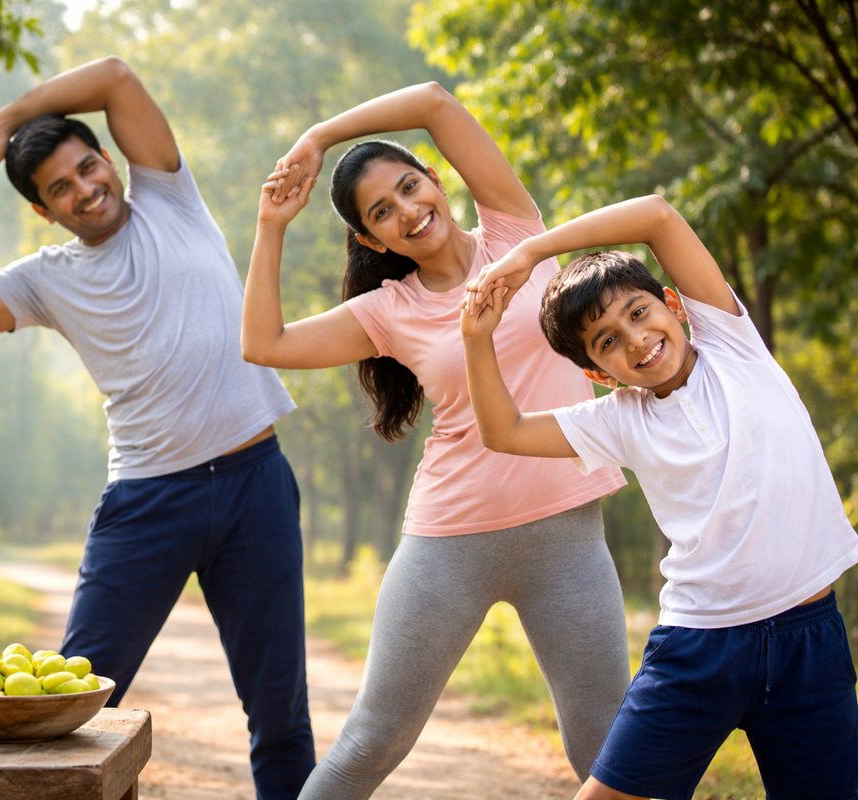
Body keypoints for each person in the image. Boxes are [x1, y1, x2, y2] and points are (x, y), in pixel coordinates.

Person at [0, 56, 316, 798]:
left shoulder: (170, 196)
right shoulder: (46, 278)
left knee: (280, 715)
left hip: (255, 485)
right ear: (44, 210)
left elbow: (117, 78)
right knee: (68, 710)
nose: (85, 190)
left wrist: (2, 122)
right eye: (60, 188)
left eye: (87, 167)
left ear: (110, 159)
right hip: (146, 505)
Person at [242, 80, 631, 797]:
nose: (410, 211)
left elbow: (432, 101)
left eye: (411, 186)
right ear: (371, 239)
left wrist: (321, 134)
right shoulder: (391, 310)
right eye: (382, 212)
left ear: (436, 179)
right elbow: (263, 342)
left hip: (568, 539)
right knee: (370, 741)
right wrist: (271, 226)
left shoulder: (519, 232)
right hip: (450, 540)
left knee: (611, 750)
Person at [461, 194, 858, 799]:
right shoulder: (621, 419)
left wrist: (532, 251)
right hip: (699, 646)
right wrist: (475, 339)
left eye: (639, 313)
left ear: (673, 305)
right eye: (608, 342)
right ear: (598, 373)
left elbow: (657, 216)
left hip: (809, 641)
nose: (636, 340)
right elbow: (503, 430)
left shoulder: (732, 345)